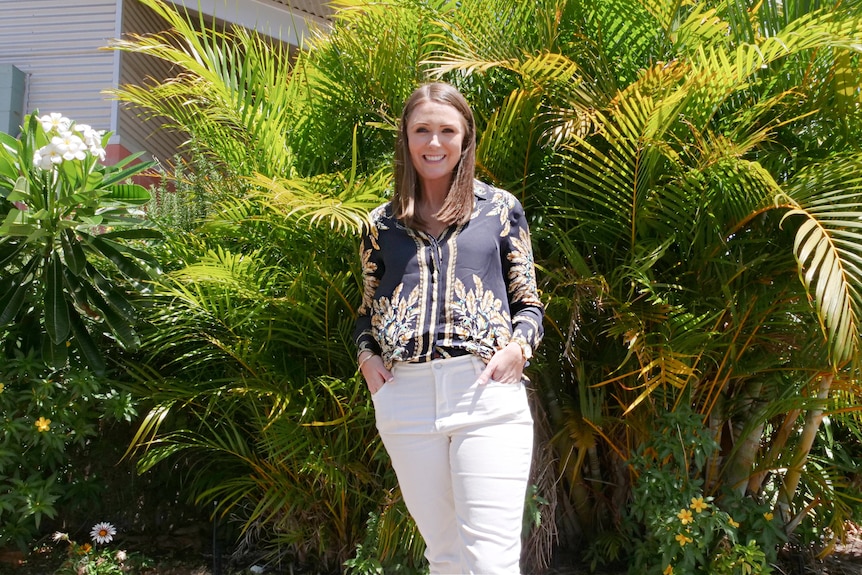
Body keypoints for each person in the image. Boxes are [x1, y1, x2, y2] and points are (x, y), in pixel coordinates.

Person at [354, 81, 544, 575]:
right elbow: (366, 311)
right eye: (422, 130)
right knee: (445, 557)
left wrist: (518, 351)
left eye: (446, 131)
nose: (433, 143)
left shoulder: (500, 210)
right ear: (406, 138)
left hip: (484, 393)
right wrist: (367, 358)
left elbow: (529, 304)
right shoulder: (380, 224)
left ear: (465, 139)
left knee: (490, 560)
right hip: (406, 400)